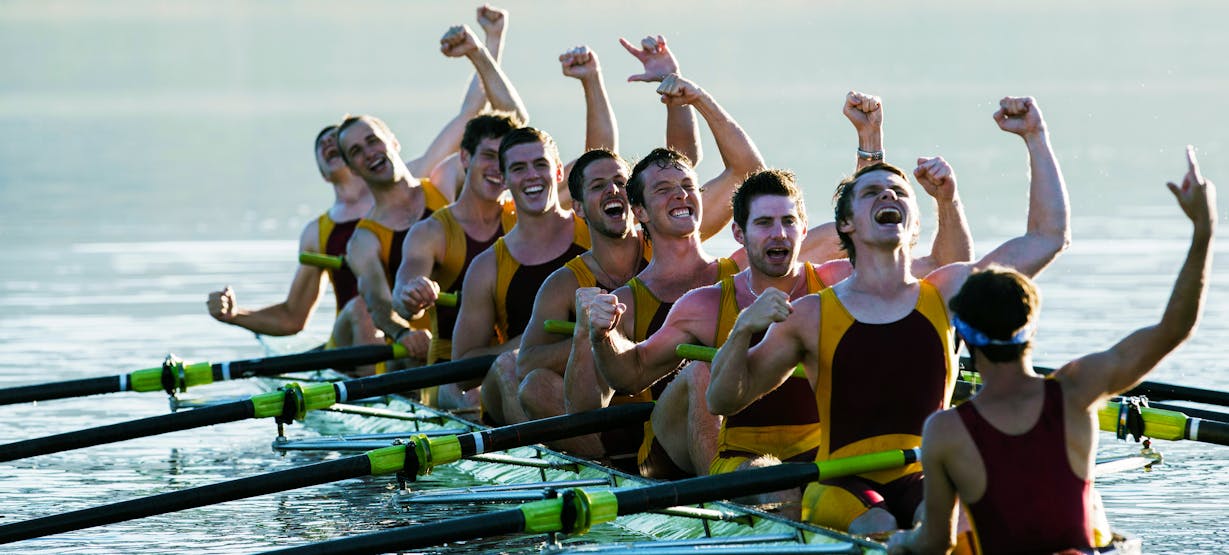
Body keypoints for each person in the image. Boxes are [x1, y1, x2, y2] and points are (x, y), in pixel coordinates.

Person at [708, 96, 1070, 535]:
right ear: (848, 226)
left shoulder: (948, 290)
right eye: (872, 191)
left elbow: (1047, 238)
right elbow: (724, 400)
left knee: (949, 523)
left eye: (899, 192)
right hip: (841, 483)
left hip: (923, 472)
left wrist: (1036, 137)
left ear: (915, 224)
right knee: (878, 523)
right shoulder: (811, 314)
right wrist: (744, 330)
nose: (888, 195)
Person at [583, 93, 973, 478]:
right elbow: (629, 375)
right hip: (722, 457)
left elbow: (941, 263)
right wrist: (603, 335)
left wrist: (931, 188)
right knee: (703, 368)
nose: (779, 235)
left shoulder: (837, 281)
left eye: (788, 223)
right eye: (765, 224)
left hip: (812, 456)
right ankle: (725, 500)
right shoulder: (703, 304)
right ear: (739, 233)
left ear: (803, 230)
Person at [888, 149, 1214, 554]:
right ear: (1032, 329)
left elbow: (934, 544)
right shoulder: (1079, 389)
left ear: (963, 337)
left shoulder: (944, 430)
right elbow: (1174, 328)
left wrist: (901, 543)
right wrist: (1203, 230)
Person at [342, 21, 527, 369]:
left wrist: (487, 42)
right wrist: (401, 332)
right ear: (352, 169)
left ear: (392, 143)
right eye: (356, 152)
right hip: (419, 353)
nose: (368, 153)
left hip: (492, 338)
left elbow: (504, 122)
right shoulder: (363, 240)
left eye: (372, 141)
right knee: (360, 311)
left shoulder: (440, 178)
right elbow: (380, 303)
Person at [450, 127, 593, 421]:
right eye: (518, 168)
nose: (531, 175)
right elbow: (461, 373)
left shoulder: (594, 233)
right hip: (514, 384)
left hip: (585, 379)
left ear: (558, 173)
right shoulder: (487, 266)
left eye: (540, 165)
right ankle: (539, 456)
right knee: (508, 364)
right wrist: (528, 345)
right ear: (503, 180)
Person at [206, 126, 377, 357]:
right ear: (324, 175)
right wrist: (235, 315)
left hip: (409, 337)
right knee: (362, 307)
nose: (327, 142)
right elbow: (293, 317)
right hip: (353, 343)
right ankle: (371, 386)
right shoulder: (316, 234)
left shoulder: (406, 204)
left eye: (336, 138)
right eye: (321, 144)